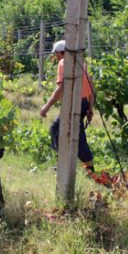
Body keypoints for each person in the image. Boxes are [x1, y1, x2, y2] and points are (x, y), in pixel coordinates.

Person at [40, 40, 95, 172]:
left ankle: (69, 165)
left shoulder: (64, 63)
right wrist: (90, 108)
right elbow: (92, 87)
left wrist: (46, 106)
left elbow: (61, 89)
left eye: (56, 54)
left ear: (62, 53)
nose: (56, 57)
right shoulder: (82, 63)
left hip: (73, 104)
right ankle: (82, 166)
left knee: (58, 130)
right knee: (73, 133)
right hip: (83, 103)